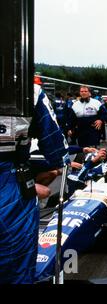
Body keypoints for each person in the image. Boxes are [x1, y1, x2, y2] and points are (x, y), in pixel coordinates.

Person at [0, 80, 69, 284]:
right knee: (17, 269)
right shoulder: (31, 91)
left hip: (12, 179)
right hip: (10, 189)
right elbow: (57, 151)